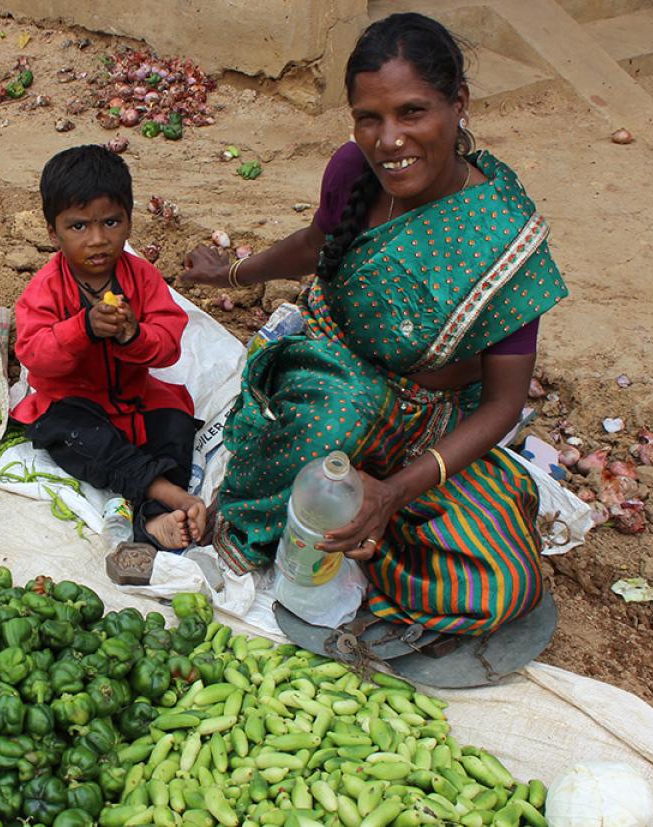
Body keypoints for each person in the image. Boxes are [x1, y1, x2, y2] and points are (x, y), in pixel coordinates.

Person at [182, 13, 568, 635]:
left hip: (430, 428)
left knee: (504, 584)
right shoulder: (352, 172)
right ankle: (288, 525)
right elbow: (315, 243)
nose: (389, 140)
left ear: (458, 105)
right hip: (333, 377)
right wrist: (233, 274)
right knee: (345, 412)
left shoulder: (500, 233)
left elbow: (502, 405)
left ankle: (365, 525)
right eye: (369, 117)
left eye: (412, 113)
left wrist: (397, 492)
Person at [14, 145, 206, 550]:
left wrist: (133, 337)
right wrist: (81, 328)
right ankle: (167, 494)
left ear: (130, 222)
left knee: (176, 421)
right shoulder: (45, 289)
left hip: (136, 397)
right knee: (77, 436)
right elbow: (34, 355)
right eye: (79, 226)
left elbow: (169, 344)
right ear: (53, 232)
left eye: (111, 222)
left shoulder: (142, 277)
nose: (98, 240)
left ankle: (157, 520)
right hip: (75, 403)